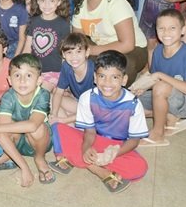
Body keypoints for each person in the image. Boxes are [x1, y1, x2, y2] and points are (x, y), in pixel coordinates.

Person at [51, 50, 148, 193]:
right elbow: (89, 131)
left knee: (139, 167)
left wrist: (114, 153)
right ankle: (98, 170)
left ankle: (79, 160)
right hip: (94, 139)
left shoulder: (133, 104)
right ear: (95, 78)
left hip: (117, 146)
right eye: (102, 76)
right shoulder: (87, 98)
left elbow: (134, 140)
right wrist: (86, 148)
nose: (107, 83)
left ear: (124, 80)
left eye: (114, 77)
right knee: (57, 128)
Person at [0, 53, 54, 187]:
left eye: (29, 75)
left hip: (38, 142)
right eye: (17, 75)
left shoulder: (43, 95)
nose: (22, 81)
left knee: (38, 128)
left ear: (39, 80)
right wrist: (24, 168)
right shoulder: (8, 97)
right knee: (1, 134)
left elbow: (32, 125)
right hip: (16, 141)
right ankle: (15, 158)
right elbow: (2, 131)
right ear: (9, 80)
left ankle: (39, 158)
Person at [72, 0, 148, 87]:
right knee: (75, 56)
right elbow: (78, 39)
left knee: (119, 67)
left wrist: (92, 50)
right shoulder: (80, 6)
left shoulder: (116, 3)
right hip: (100, 48)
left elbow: (127, 44)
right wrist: (81, 52)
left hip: (133, 49)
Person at [135, 9, 186, 147]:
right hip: (166, 95)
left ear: (182, 30)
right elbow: (154, 79)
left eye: (172, 28)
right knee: (130, 103)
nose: (166, 33)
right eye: (161, 28)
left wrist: (160, 75)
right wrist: (143, 88)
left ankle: (158, 134)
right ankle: (169, 117)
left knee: (161, 87)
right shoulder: (158, 50)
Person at [22, 0, 70, 93]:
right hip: (35, 70)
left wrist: (65, 76)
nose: (47, 5)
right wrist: (22, 66)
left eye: (51, 1)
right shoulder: (34, 21)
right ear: (37, 1)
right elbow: (27, 47)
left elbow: (66, 52)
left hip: (54, 72)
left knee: (39, 94)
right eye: (43, 1)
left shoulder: (63, 25)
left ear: (59, 2)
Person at [50, 33, 95, 125]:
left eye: (78, 51)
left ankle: (69, 123)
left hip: (94, 109)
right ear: (63, 54)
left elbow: (96, 109)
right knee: (51, 98)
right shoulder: (66, 66)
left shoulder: (94, 70)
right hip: (79, 103)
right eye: (69, 52)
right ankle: (70, 124)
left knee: (66, 117)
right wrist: (54, 115)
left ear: (87, 52)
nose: (74, 56)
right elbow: (59, 92)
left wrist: (62, 120)